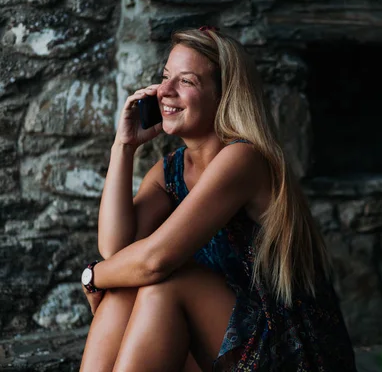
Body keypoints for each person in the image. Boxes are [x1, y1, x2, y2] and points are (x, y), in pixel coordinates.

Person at [78, 26, 357, 372]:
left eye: (186, 81)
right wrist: (124, 146)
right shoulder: (171, 171)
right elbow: (115, 250)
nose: (164, 91)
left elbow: (154, 261)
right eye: (165, 77)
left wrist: (93, 276)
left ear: (223, 96)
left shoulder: (243, 158)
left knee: (164, 283)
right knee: (126, 286)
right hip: (223, 340)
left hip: (290, 348)